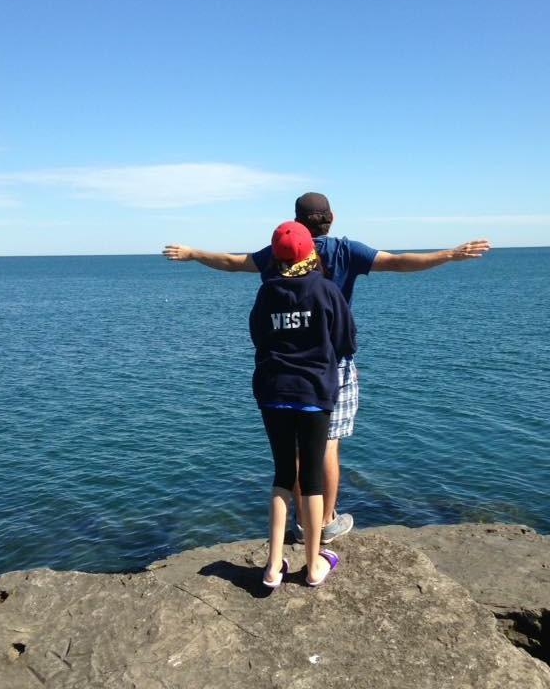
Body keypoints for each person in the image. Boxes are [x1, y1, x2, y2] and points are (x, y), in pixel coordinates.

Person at [164, 192, 491, 542]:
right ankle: (324, 522)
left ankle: (301, 520)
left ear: (295, 220)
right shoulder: (346, 251)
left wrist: (193, 253)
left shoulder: (278, 252)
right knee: (328, 445)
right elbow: (398, 262)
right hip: (330, 363)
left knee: (294, 451)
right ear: (331, 217)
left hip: (284, 367)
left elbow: (232, 262)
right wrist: (449, 255)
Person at [249, 221, 356, 587]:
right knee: (310, 479)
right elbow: (346, 341)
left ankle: (272, 566)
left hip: (273, 391)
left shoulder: (267, 291)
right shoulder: (326, 289)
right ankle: (313, 567)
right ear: (310, 251)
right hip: (314, 391)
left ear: (275, 255)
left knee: (282, 475)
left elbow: (257, 336)